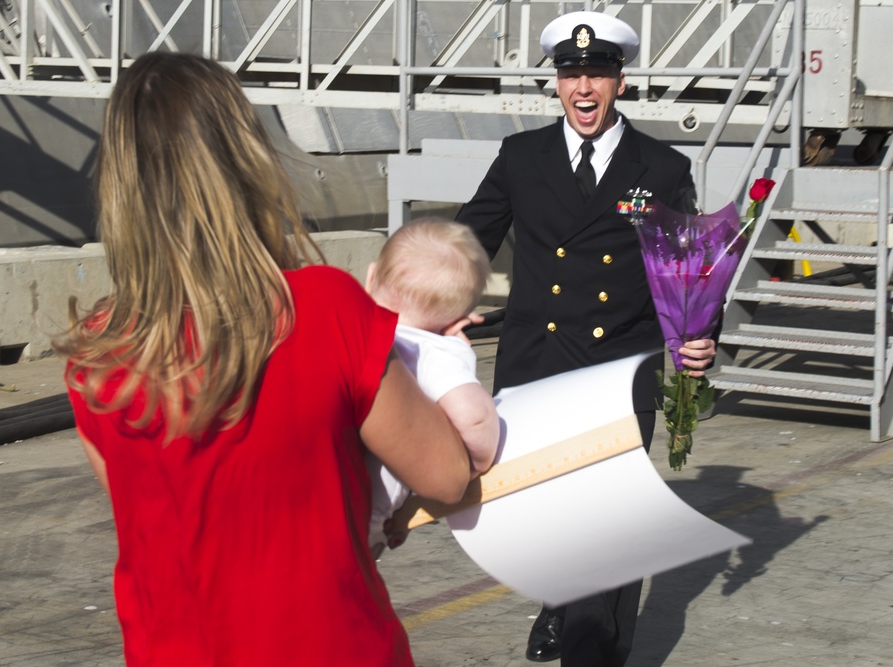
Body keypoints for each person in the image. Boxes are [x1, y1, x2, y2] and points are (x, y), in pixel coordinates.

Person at [54, 52, 474, 667]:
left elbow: (157, 511)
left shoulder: (95, 353)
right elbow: (447, 474)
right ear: (246, 161)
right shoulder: (326, 308)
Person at [455, 11, 717, 667]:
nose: (583, 86)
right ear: (556, 82)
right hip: (534, 368)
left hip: (617, 374)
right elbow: (466, 240)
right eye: (571, 72)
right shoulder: (522, 157)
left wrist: (700, 335)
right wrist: (436, 304)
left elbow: (689, 269)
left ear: (620, 81)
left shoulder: (659, 166)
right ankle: (561, 598)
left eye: (597, 72)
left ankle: (590, 646)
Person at [364, 219, 501, 558]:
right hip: (369, 512)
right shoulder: (437, 351)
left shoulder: (353, 325)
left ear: (370, 277)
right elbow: (475, 419)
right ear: (459, 318)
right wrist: (475, 463)